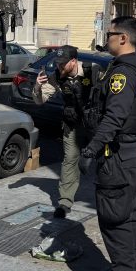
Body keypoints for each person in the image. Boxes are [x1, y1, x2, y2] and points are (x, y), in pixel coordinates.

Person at [80, 17, 136, 271]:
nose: (105, 37)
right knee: (128, 219)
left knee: (114, 222)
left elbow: (115, 117)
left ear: (122, 38)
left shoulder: (124, 73)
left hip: (118, 157)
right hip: (131, 154)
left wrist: (90, 150)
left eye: (109, 33)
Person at [33, 45, 93, 218]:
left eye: (63, 64)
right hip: (72, 124)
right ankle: (65, 202)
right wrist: (38, 87)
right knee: (69, 160)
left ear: (73, 61)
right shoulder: (58, 77)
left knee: (105, 161)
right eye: (57, 64)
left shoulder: (93, 72)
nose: (59, 67)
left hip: (95, 126)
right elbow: (40, 100)